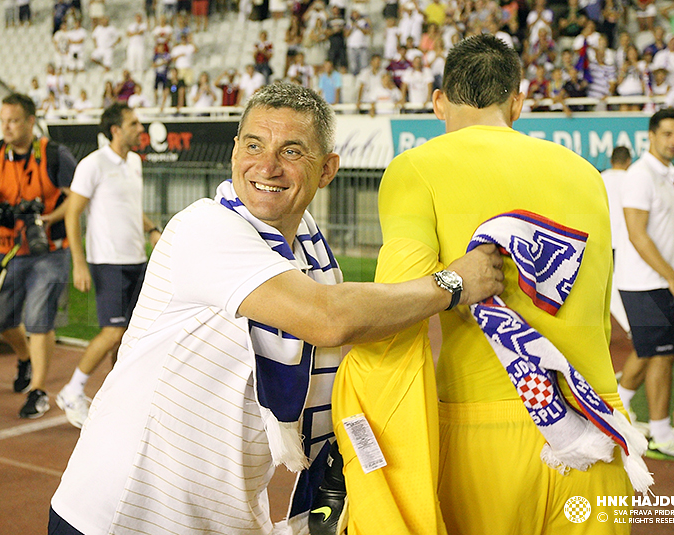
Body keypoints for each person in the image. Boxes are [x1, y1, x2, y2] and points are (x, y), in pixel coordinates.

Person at [48, 83, 504, 535]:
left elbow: (346, 347)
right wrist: (454, 283)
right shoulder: (205, 228)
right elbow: (331, 318)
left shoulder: (312, 259)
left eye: (291, 151)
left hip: (218, 519)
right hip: (117, 516)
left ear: (326, 170)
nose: (266, 165)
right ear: (233, 152)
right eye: (253, 145)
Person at [331, 34, 635, 534]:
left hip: (484, 431)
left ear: (437, 101)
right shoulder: (587, 174)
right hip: (596, 424)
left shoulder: (415, 167)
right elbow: (598, 316)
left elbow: (393, 315)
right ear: (517, 102)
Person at [0, 93, 76, 419]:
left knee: (40, 320)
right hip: (6, 251)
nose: (6, 127)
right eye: (3, 121)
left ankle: (38, 390)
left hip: (48, 252)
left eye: (13, 121)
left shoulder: (55, 155)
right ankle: (25, 358)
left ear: (30, 120)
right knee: (1, 320)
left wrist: (51, 219)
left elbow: (76, 198)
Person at [57, 103, 161, 429]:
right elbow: (72, 213)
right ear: (115, 129)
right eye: (134, 123)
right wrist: (79, 263)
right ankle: (72, 391)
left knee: (129, 336)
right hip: (107, 262)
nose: (140, 128)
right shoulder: (93, 164)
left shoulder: (134, 162)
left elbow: (130, 208)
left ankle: (119, 397)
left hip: (136, 259)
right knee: (113, 330)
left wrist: (152, 229)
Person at [615, 107, 674, 460]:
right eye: (667, 134)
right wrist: (672, 278)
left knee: (653, 352)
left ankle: (620, 413)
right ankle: (660, 433)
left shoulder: (668, 175)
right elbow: (637, 235)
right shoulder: (640, 176)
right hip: (645, 283)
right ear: (650, 136)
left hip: (652, 283)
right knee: (660, 354)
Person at [602, 146, 633, 333]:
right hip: (630, 241)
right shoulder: (633, 179)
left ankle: (630, 323)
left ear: (611, 160)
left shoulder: (600, 178)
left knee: (610, 285)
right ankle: (633, 323)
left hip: (606, 240)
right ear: (628, 161)